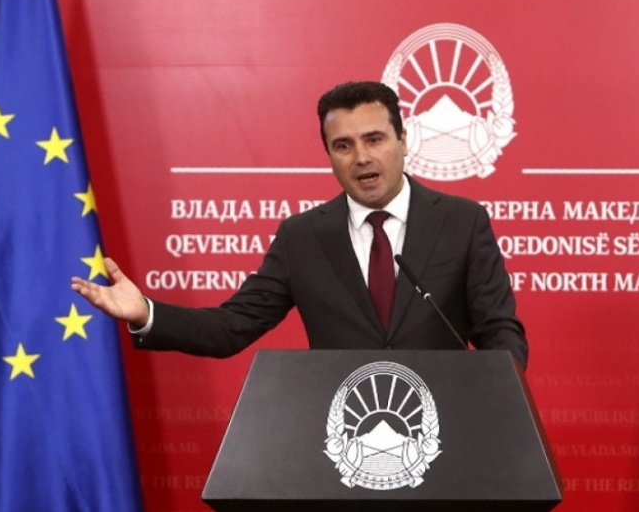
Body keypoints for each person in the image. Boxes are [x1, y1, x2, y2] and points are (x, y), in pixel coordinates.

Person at [71, 81, 529, 369]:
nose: (362, 157)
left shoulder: (462, 221)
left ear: (403, 141)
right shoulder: (303, 237)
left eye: (374, 139)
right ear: (329, 155)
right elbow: (232, 327)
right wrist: (147, 313)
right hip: (342, 441)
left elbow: (498, 329)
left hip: (445, 430)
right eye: (343, 146)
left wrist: (499, 394)